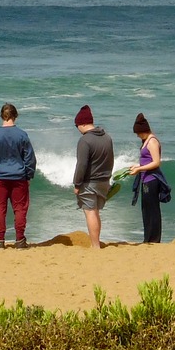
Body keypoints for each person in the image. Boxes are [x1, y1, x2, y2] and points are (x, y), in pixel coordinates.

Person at [0, 103, 37, 249]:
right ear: (15, 115)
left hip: (0, 176)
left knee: (0, 210)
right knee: (20, 209)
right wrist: (29, 175)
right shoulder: (22, 135)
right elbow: (29, 158)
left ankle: (0, 240)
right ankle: (20, 240)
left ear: (2, 116)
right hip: (19, 176)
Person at [72, 104, 114, 250]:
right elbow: (111, 159)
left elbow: (81, 164)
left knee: (90, 212)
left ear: (83, 123)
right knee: (95, 212)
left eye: (77, 125)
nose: (77, 129)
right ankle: (96, 242)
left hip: (89, 182)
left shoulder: (85, 140)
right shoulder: (107, 137)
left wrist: (77, 184)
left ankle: (95, 245)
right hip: (104, 180)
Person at [127, 113, 164, 243]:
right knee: (146, 210)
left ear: (143, 130)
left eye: (138, 133)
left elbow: (156, 162)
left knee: (152, 210)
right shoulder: (146, 141)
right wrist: (137, 166)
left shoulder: (152, 141)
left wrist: (139, 169)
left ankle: (154, 239)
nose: (137, 136)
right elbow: (146, 161)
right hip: (145, 179)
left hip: (152, 180)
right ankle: (148, 238)